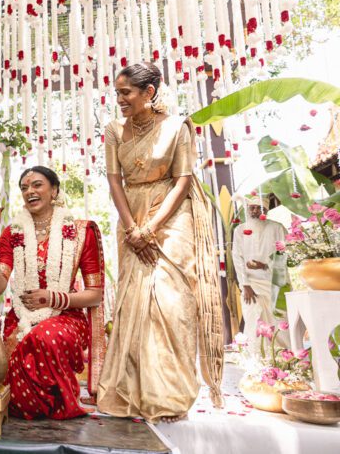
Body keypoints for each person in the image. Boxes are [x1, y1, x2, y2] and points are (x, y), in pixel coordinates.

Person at [97, 62, 224, 424]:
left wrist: (150, 228)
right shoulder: (113, 130)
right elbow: (114, 181)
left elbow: (183, 180)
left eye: (126, 93)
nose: (119, 99)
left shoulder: (176, 127)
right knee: (134, 302)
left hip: (171, 215)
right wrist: (131, 228)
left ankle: (168, 395)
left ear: (149, 92)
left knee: (170, 301)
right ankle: (129, 394)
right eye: (117, 93)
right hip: (130, 215)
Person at [0, 166, 106, 420]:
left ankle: (57, 402)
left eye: (37, 185)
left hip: (66, 316)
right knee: (15, 385)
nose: (29, 191)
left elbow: (95, 295)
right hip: (22, 318)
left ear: (54, 190)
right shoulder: (11, 234)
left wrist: (53, 298)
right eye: (24, 188)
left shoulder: (81, 232)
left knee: (46, 336)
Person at [232, 195, 288, 343]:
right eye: (252, 208)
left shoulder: (277, 228)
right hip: (251, 284)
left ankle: (283, 355)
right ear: (247, 209)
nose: (255, 211)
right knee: (253, 319)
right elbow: (237, 258)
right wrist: (245, 284)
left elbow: (286, 255)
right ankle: (257, 358)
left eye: (259, 208)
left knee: (279, 320)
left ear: (266, 210)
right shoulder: (239, 230)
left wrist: (264, 265)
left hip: (275, 284)